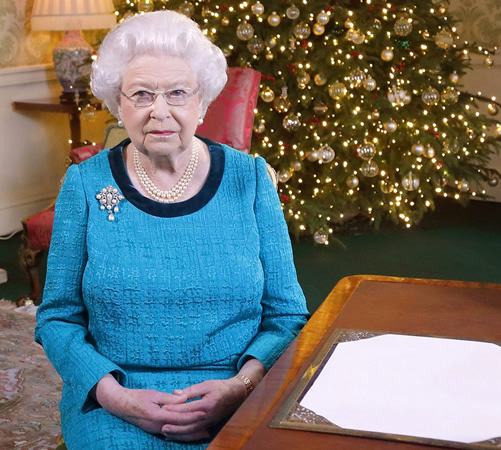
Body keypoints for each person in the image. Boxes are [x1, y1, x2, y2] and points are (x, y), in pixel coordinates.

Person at [33, 11, 309, 449]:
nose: (159, 111)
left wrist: (240, 387)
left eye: (177, 93)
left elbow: (287, 315)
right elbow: (57, 317)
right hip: (119, 393)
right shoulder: (85, 185)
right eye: (141, 94)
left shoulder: (250, 179)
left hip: (238, 389)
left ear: (202, 102)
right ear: (117, 104)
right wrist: (116, 396)